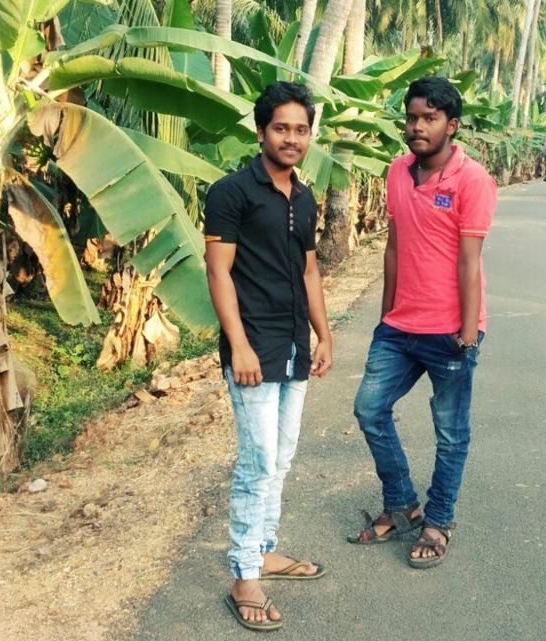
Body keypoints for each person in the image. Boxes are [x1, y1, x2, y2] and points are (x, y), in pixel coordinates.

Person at [348, 77, 497, 569]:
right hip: (399, 327)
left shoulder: (471, 180)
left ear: (451, 125)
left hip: (450, 331)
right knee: (369, 409)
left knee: (450, 432)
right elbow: (393, 248)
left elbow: (469, 261)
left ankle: (439, 521)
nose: (417, 127)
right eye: (412, 117)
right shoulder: (396, 171)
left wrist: (468, 335)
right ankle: (402, 503)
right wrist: (385, 316)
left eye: (429, 118)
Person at [204, 81, 332, 631]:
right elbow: (219, 273)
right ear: (261, 132)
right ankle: (243, 576)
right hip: (253, 347)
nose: (292, 138)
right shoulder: (231, 192)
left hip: (295, 346)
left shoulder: (304, 197)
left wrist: (324, 334)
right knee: (257, 465)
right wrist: (238, 344)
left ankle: (263, 551)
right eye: (281, 128)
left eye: (301, 130)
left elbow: (309, 271)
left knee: (280, 459)